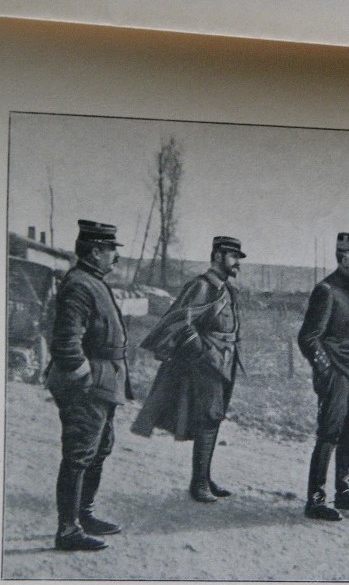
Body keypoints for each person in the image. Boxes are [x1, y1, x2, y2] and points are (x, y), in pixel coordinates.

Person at [132, 236, 245, 503]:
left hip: (224, 362)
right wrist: (203, 353)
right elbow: (182, 323)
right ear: (218, 256)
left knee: (214, 418)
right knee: (208, 418)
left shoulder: (226, 289)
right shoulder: (202, 286)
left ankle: (205, 477)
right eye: (233, 257)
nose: (238, 262)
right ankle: (199, 484)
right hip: (206, 365)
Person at [45, 219, 132, 551]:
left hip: (104, 380)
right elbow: (66, 342)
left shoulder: (90, 280)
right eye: (111, 251)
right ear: (95, 251)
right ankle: (67, 529)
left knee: (99, 448)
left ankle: (84, 514)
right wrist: (84, 379)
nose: (116, 258)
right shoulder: (80, 284)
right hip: (90, 382)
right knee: (79, 453)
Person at [298, 232, 349, 521]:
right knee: (329, 433)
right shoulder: (326, 290)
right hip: (338, 374)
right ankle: (316, 500)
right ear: (344, 259)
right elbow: (308, 338)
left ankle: (344, 493)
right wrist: (326, 371)